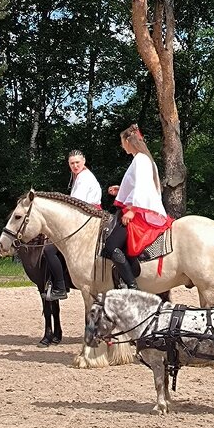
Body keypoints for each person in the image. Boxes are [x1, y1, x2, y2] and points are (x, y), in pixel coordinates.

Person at [103, 123, 173, 289]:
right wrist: (121, 190)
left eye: (122, 141)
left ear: (128, 140)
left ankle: (132, 286)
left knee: (111, 246)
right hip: (142, 208)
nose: (122, 146)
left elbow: (142, 187)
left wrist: (133, 211)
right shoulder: (144, 159)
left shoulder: (140, 160)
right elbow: (144, 187)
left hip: (139, 211)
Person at [43, 149, 102, 301]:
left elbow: (75, 204)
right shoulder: (80, 176)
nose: (75, 165)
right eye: (72, 163)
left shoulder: (83, 178)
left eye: (77, 162)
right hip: (86, 216)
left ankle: (60, 287)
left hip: (85, 218)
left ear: (84, 161)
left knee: (50, 250)